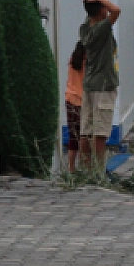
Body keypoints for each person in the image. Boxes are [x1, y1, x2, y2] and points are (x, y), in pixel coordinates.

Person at [77, 0, 120, 168]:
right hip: (103, 85)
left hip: (89, 84)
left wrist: (93, 0)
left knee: (86, 130)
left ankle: (85, 168)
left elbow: (96, 13)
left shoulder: (85, 28)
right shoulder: (101, 28)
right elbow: (116, 11)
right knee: (100, 132)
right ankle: (99, 170)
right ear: (102, 9)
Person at [63, 41, 86, 172]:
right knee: (84, 136)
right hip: (82, 101)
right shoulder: (86, 64)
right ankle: (83, 166)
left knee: (73, 137)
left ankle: (71, 168)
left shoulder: (72, 61)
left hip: (70, 99)